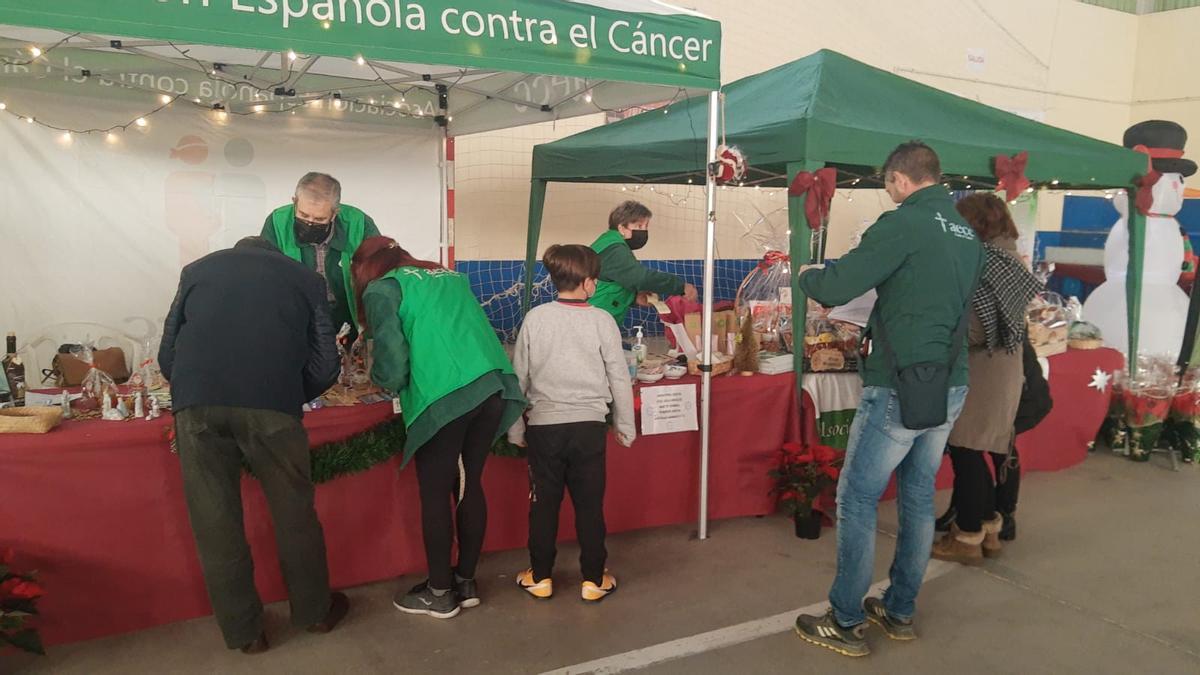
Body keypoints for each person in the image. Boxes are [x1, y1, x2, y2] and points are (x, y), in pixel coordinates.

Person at [793, 142, 983, 657]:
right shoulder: (966, 231)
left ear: (899, 180)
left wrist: (804, 273)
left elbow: (838, 285)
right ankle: (899, 610)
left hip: (899, 383)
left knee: (856, 498)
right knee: (919, 495)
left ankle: (846, 618)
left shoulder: (903, 223)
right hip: (949, 379)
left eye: (887, 185)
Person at [159, 236, 347, 655]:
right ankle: (315, 613)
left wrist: (195, 389)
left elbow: (168, 354)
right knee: (294, 513)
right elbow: (326, 364)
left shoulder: (197, 270)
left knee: (215, 522)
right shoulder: (304, 278)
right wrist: (290, 394)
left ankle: (246, 634)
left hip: (197, 406)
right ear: (275, 255)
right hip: (273, 407)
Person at [353, 236, 525, 620]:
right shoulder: (448, 276)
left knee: (434, 494)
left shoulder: (383, 289)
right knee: (468, 484)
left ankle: (439, 592)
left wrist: (376, 376)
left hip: (446, 397)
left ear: (363, 270)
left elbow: (393, 367)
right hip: (491, 384)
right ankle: (465, 582)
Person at [507, 244, 636, 602]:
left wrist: (516, 429)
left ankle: (541, 576)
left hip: (544, 429)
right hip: (589, 429)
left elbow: (518, 380)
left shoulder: (535, 318)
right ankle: (594, 579)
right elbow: (618, 378)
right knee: (590, 506)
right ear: (590, 283)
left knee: (543, 506)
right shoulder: (602, 321)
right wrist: (625, 425)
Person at [931, 193, 1043, 563]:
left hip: (983, 370)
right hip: (1004, 369)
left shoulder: (987, 262)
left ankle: (966, 538)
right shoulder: (1008, 257)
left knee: (966, 452)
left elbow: (977, 330)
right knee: (981, 450)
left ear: (976, 224)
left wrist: (941, 328)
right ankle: (989, 531)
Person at [261, 172, 381, 341]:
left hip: (347, 316)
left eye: (319, 219)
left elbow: (379, 275)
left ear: (335, 213)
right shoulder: (277, 222)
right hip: (296, 318)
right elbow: (265, 277)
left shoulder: (359, 224)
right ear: (294, 202)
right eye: (303, 215)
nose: (310, 222)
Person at [589, 200, 698, 325]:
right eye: (639, 226)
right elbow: (640, 278)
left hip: (598, 316)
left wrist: (634, 298)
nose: (644, 231)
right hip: (595, 319)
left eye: (646, 226)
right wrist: (680, 286)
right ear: (621, 228)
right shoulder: (615, 249)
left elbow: (611, 282)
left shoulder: (608, 242)